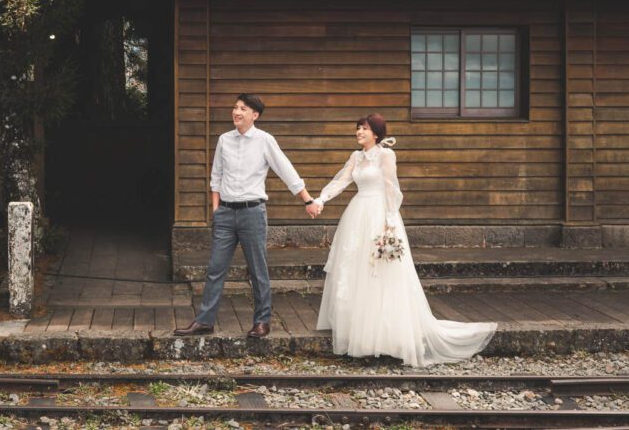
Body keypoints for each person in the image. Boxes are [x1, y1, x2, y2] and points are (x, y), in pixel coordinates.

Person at [311, 113, 496, 367]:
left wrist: (389, 223)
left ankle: (385, 333)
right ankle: (359, 331)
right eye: (357, 128)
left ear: (376, 132)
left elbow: (391, 187)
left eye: (363, 128)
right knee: (354, 269)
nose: (358, 132)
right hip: (357, 215)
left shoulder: (386, 155)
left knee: (381, 271)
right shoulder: (356, 157)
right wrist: (320, 199)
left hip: (379, 215)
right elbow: (341, 180)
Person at [174, 93, 320, 339]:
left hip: (252, 212)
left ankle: (262, 322)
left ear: (255, 115)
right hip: (226, 214)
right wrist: (216, 209)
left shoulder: (264, 140)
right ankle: (204, 321)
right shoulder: (224, 140)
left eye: (243, 109)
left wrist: (307, 199)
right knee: (215, 268)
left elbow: (286, 170)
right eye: (235, 107)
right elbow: (216, 176)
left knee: (257, 270)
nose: (237, 112)